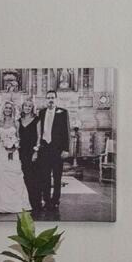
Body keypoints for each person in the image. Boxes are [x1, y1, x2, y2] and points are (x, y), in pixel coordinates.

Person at [36, 90, 72, 220]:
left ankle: (55, 200)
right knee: (45, 177)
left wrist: (66, 149)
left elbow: (67, 132)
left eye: (52, 98)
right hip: (45, 149)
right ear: (46, 100)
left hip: (58, 150)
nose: (50, 100)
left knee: (57, 177)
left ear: (56, 99)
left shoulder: (63, 112)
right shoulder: (41, 112)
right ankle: (46, 200)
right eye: (48, 98)